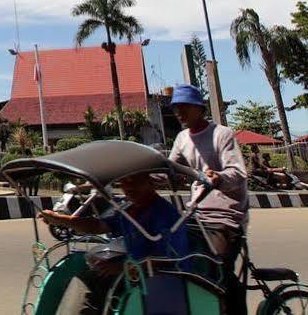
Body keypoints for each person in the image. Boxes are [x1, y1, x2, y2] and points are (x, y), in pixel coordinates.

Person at [40, 172, 189, 315]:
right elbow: (98, 226)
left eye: (134, 182)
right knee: (86, 272)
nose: (128, 188)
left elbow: (164, 259)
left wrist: (121, 268)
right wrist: (59, 219)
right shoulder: (130, 210)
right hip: (137, 270)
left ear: (151, 183)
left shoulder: (163, 214)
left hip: (162, 276)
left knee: (93, 282)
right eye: (123, 183)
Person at [168, 84, 249, 315]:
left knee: (217, 265)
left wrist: (218, 177)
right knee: (174, 256)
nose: (179, 113)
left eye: (184, 107)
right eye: (176, 108)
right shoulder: (182, 138)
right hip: (197, 213)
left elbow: (237, 173)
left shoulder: (222, 134)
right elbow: (170, 169)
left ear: (199, 108)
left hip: (227, 216)